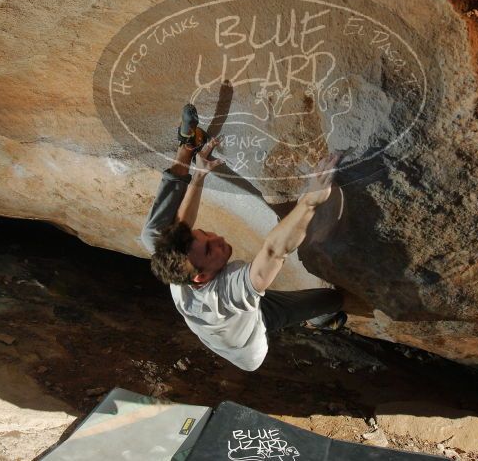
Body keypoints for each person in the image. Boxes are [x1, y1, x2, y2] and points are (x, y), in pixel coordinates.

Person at [140, 106, 346, 371]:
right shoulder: (230, 294)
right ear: (200, 277)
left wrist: (200, 174)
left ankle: (187, 147)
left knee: (151, 235)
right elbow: (273, 251)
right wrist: (310, 201)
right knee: (332, 300)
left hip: (225, 311)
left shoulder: (179, 265)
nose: (218, 238)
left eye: (205, 234)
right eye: (210, 248)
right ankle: (319, 321)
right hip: (250, 339)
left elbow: (181, 226)